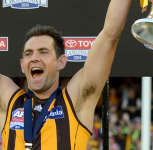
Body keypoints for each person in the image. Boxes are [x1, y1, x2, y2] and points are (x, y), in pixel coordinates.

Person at [0, 0, 132, 149]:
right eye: (28, 53)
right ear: (22, 65)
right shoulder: (10, 103)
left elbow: (110, 35)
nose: (34, 58)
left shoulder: (74, 102)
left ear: (61, 62)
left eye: (43, 52)